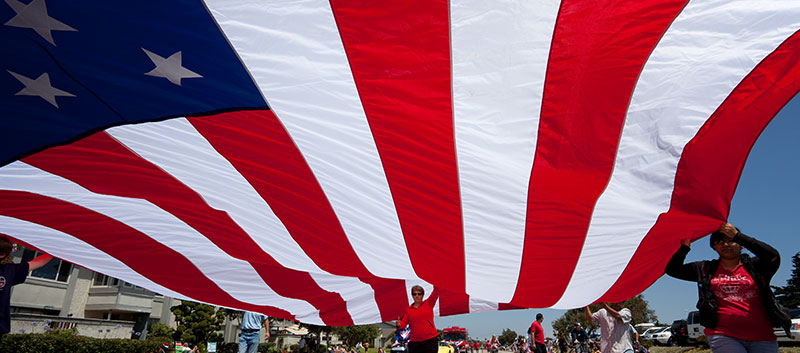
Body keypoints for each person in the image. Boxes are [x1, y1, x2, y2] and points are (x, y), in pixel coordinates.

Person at [665, 223, 791, 353]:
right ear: (714, 247)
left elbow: (773, 256)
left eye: (731, 240)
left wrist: (738, 235)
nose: (725, 244)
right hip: (723, 335)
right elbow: (672, 270)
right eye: (719, 241)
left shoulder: (756, 267)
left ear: (741, 245)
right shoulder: (704, 269)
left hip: (763, 335)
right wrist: (685, 247)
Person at [0, 236, 52, 337]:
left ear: (2, 254)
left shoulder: (9, 271)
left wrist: (56, 250)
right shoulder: (9, 271)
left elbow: (38, 262)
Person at [396, 285, 440, 353]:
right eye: (414, 294)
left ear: (423, 295)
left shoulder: (429, 303)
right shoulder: (408, 310)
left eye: (419, 294)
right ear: (412, 295)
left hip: (430, 340)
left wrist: (435, 280)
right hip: (415, 342)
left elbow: (436, 292)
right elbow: (403, 324)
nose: (417, 296)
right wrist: (399, 325)